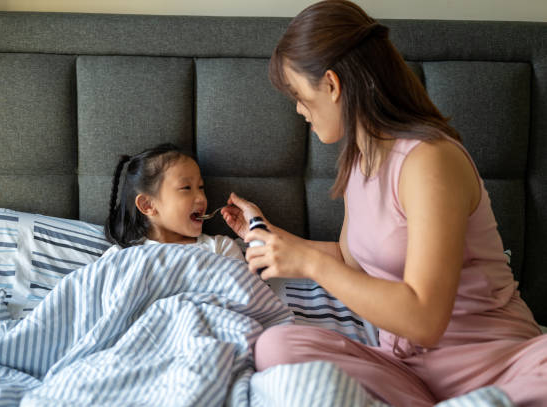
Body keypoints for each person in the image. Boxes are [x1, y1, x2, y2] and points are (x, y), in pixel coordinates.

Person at [221, 1, 547, 406]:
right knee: (277, 347)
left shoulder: (429, 160)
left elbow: (425, 320)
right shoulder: (359, 160)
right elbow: (350, 258)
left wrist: (309, 263)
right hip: (408, 373)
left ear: (332, 84)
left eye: (299, 95)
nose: (299, 110)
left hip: (500, 364)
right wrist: (270, 237)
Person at [102, 143, 244, 262]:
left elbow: (248, 292)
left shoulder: (220, 248)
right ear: (148, 205)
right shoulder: (121, 256)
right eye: (186, 188)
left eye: (201, 187)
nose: (201, 198)